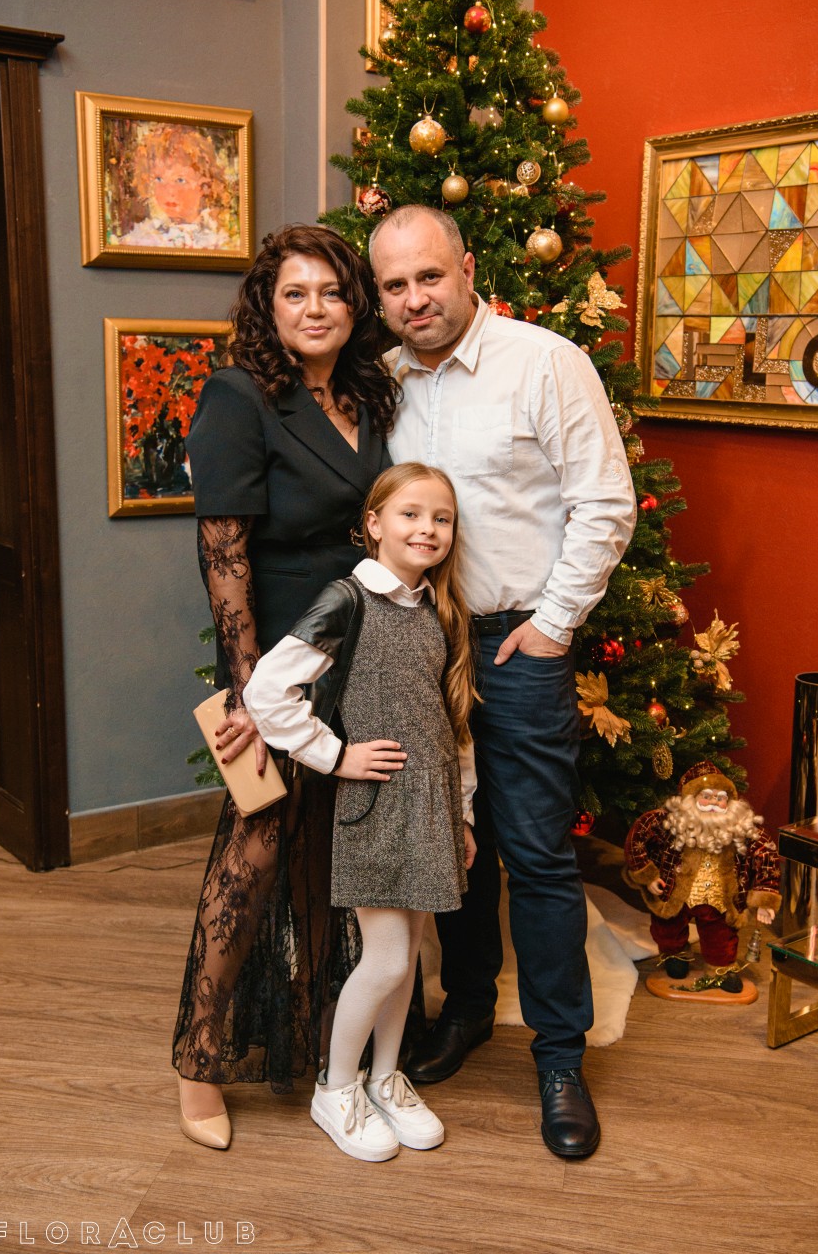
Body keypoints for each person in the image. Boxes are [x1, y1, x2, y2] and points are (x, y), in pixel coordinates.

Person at [368, 205, 637, 1160]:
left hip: (518, 643)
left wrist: (554, 625)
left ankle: (560, 1058)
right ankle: (467, 1009)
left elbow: (605, 502)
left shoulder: (545, 362)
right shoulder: (382, 384)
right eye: (394, 286)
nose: (414, 299)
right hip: (420, 644)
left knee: (535, 851)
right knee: (451, 846)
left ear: (468, 268)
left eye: (429, 277)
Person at [172, 224, 398, 1150]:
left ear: (355, 305)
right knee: (257, 845)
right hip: (279, 662)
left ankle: (314, 1035)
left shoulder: (366, 392)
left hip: (364, 645)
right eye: (294, 292)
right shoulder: (239, 395)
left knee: (331, 849)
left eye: (332, 292)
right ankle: (197, 1063)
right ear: (268, 306)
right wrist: (246, 694)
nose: (315, 309)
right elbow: (223, 551)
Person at [243, 463, 478, 1161]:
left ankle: (385, 1077)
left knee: (410, 957)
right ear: (374, 524)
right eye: (411, 514)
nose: (427, 529)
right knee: (387, 957)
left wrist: (463, 813)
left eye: (441, 518)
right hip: (377, 805)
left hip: (432, 805)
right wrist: (335, 755)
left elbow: (453, 724)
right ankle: (336, 1085)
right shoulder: (348, 600)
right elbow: (267, 690)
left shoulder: (438, 608)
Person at [624, 761, 780, 993]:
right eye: (706, 797)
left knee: (721, 936)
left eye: (720, 798)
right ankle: (675, 954)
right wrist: (648, 875)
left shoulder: (740, 827)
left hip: (719, 897)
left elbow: (766, 852)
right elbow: (638, 834)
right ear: (691, 798)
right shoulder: (671, 822)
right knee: (667, 929)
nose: (714, 803)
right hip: (674, 892)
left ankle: (720, 968)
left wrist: (765, 897)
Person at [117, 124, 236, 250]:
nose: (169, 191)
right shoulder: (141, 239)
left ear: (204, 186)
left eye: (180, 180)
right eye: (159, 179)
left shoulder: (219, 241)